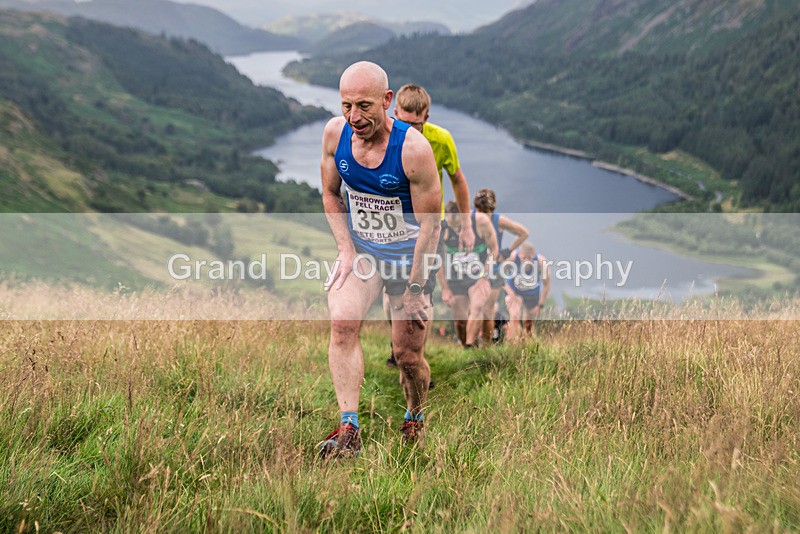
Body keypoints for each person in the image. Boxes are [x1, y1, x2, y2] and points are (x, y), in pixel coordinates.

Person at [319, 61, 441, 458]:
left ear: (387, 101)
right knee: (342, 324)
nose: (354, 117)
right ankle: (348, 429)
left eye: (365, 106)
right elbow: (331, 194)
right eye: (347, 105)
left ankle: (415, 416)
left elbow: (430, 225)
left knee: (407, 356)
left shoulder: (413, 150)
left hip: (410, 262)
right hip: (365, 255)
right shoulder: (335, 135)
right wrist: (345, 248)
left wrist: (418, 288)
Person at [385, 84, 474, 368]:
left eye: (417, 124)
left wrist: (468, 224)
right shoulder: (384, 138)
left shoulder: (442, 139)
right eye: (404, 123)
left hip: (431, 226)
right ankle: (395, 342)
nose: (411, 130)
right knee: (393, 293)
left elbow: (458, 180)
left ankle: (416, 356)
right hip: (394, 225)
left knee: (424, 291)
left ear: (427, 116)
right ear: (394, 112)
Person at [438, 201, 498, 348]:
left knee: (477, 306)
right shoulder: (441, 227)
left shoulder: (480, 222)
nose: (456, 230)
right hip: (456, 278)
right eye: (453, 226)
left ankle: (470, 348)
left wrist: (484, 276)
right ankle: (466, 346)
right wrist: (445, 288)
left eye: (459, 226)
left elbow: (494, 250)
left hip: (477, 276)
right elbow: (436, 260)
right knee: (460, 322)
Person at [473, 188, 529, 344]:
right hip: (473, 267)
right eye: (479, 211)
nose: (483, 215)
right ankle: (469, 343)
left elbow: (524, 233)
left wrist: (507, 251)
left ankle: (486, 344)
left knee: (488, 308)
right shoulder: (469, 218)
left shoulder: (499, 221)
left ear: (492, 209)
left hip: (495, 269)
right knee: (473, 307)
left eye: (487, 212)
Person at [504, 242, 551, 340]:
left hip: (531, 293)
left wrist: (540, 305)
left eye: (529, 258)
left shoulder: (541, 262)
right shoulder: (512, 258)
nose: (526, 261)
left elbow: (546, 285)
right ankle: (512, 344)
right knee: (515, 316)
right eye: (524, 258)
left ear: (533, 255)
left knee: (528, 323)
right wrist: (510, 293)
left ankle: (528, 345)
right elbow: (499, 277)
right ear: (519, 255)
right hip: (514, 290)